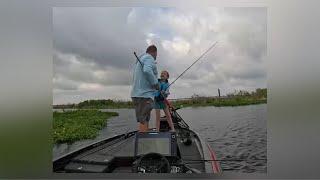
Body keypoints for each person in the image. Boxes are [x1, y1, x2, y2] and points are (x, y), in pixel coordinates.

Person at [131, 45, 159, 132]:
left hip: (137, 94)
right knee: (144, 121)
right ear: (154, 52)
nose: (156, 57)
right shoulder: (149, 58)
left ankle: (144, 142)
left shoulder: (140, 60)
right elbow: (147, 70)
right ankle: (143, 144)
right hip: (144, 95)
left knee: (144, 120)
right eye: (156, 54)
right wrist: (155, 83)